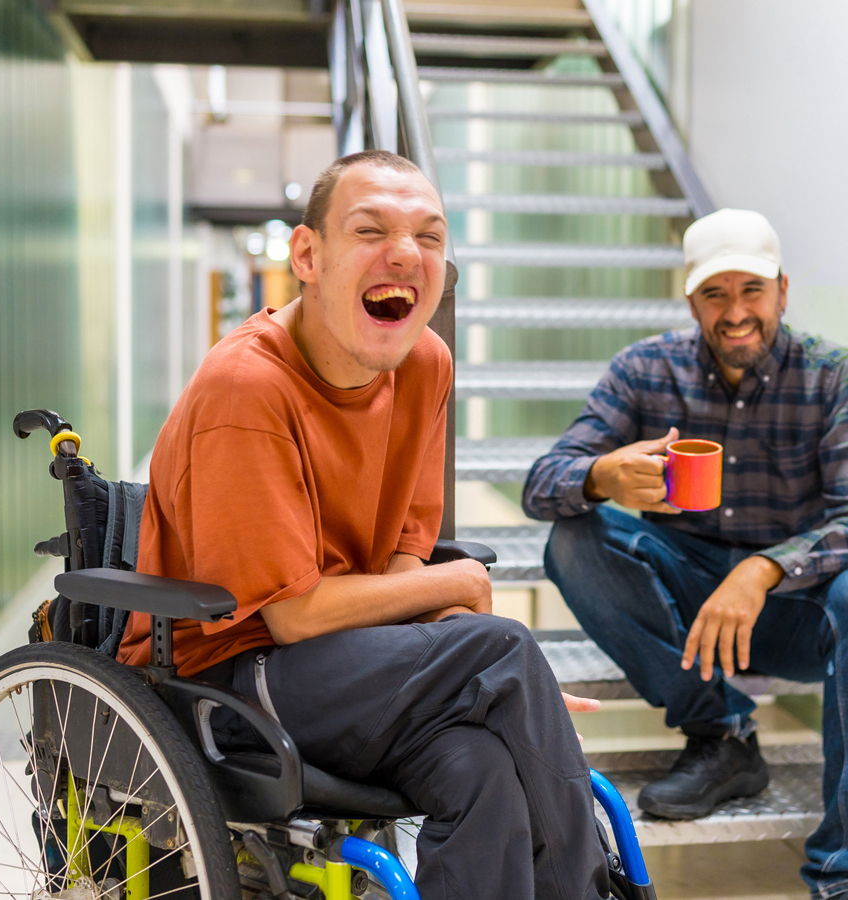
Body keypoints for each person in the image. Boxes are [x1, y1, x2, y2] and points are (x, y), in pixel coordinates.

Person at [117, 150, 611, 900]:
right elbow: (292, 616)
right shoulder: (248, 387)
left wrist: (479, 664)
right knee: (502, 646)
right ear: (308, 255)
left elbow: (404, 561)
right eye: (371, 229)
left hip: (346, 668)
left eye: (430, 236)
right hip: (227, 683)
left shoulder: (424, 365)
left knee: (482, 771)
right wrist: (472, 615)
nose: (406, 253)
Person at [525, 208, 848, 900]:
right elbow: (542, 483)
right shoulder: (646, 368)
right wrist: (603, 474)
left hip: (796, 611)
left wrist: (763, 569)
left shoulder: (832, 376)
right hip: (688, 600)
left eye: (752, 291)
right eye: (715, 294)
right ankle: (723, 735)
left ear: (783, 293)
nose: (735, 313)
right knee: (576, 538)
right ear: (690, 299)